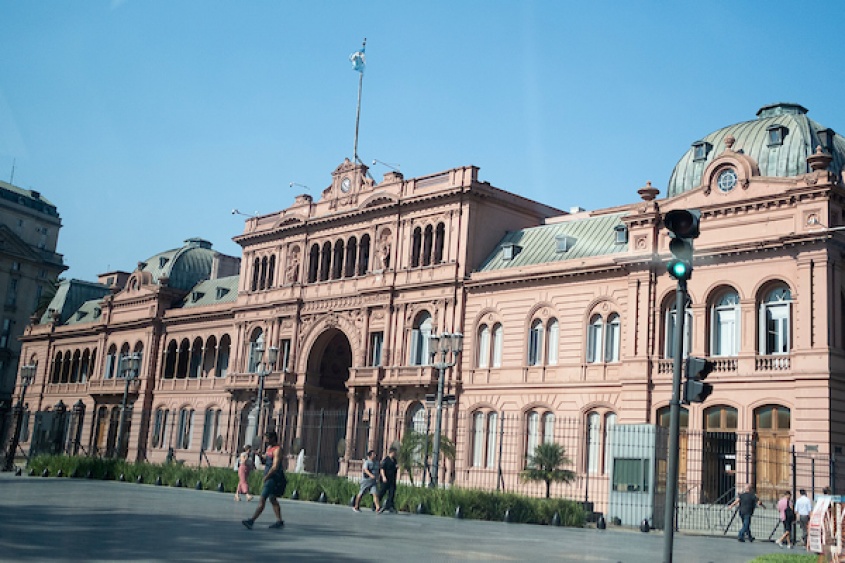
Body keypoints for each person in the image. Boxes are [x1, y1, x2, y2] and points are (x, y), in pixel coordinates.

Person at [242, 431, 287, 530]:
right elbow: (266, 461)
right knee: (272, 499)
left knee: (262, 499)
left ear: (273, 438)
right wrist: (260, 456)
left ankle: (251, 521)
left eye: (267, 439)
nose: (266, 441)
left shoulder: (277, 450)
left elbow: (275, 466)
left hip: (273, 478)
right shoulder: (269, 448)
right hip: (269, 477)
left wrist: (267, 477)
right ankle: (279, 521)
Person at [378, 447, 398, 513]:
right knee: (382, 492)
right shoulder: (386, 460)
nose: (395, 454)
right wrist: (383, 477)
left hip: (392, 479)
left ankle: (390, 506)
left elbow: (394, 468)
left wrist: (396, 467)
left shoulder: (394, 460)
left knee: (392, 493)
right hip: (385, 479)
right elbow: (382, 469)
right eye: (395, 453)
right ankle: (375, 504)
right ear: (391, 452)